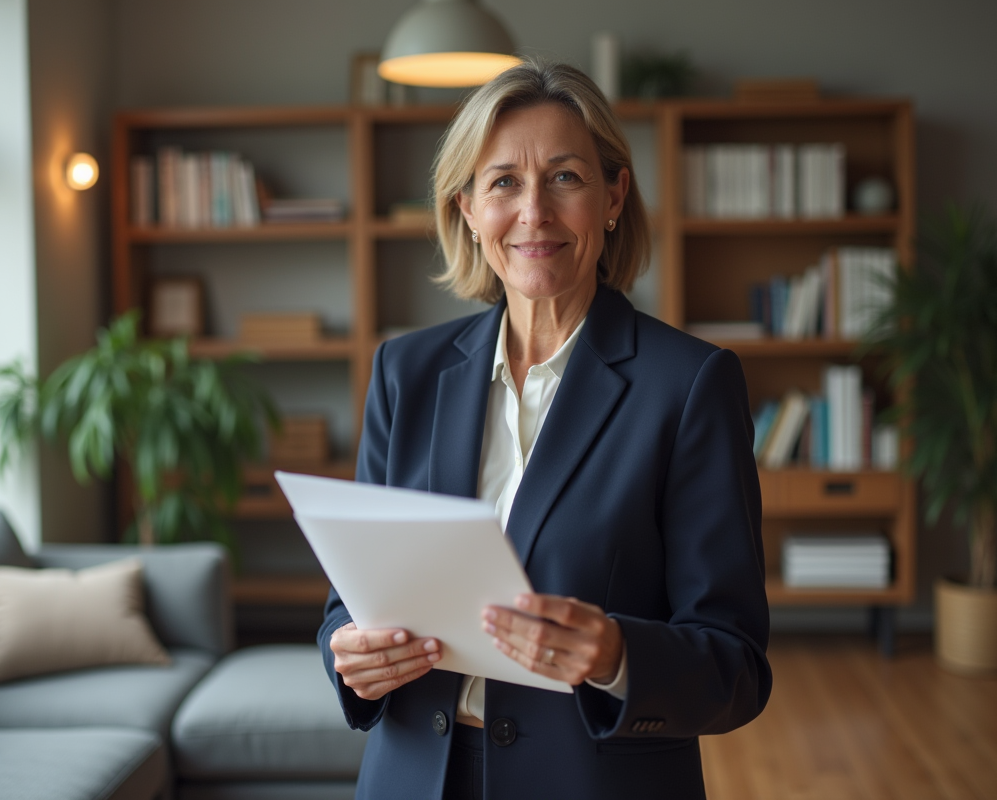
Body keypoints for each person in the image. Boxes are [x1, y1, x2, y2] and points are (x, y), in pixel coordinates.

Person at [318, 59, 771, 800]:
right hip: (411, 779)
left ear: (613, 196)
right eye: (503, 183)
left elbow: (736, 667)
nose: (535, 212)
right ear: (466, 207)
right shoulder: (405, 373)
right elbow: (352, 599)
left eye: (564, 177)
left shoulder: (689, 385)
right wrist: (349, 655)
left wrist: (619, 654)